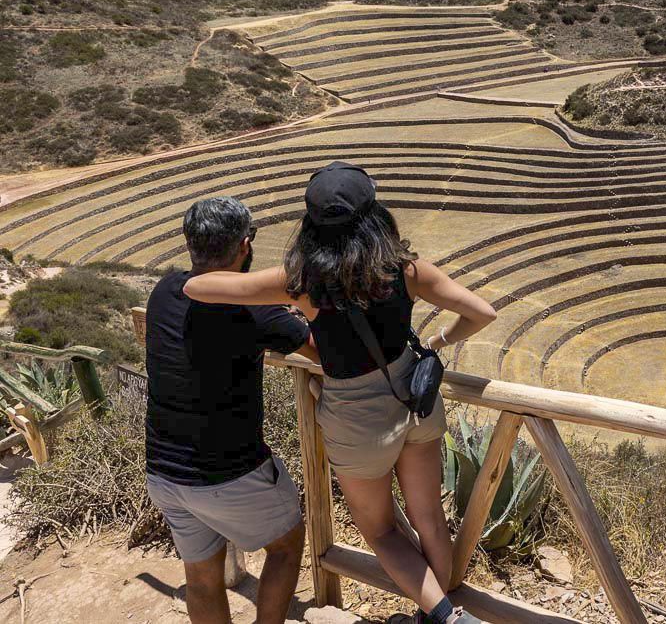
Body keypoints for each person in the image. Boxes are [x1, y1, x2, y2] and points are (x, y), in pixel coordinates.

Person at [184, 163, 498, 624]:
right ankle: (444, 611)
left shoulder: (303, 284)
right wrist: (438, 343)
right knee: (429, 518)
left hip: (355, 418)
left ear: (311, 226)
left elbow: (198, 286)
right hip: (414, 400)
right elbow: (481, 313)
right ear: (375, 216)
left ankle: (447, 618)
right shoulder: (409, 271)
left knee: (384, 532)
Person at [145, 197, 318, 624]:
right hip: (228, 473)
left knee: (201, 578)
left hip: (163, 472)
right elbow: (322, 355)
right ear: (244, 246)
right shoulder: (255, 312)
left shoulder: (165, 290)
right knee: (286, 545)